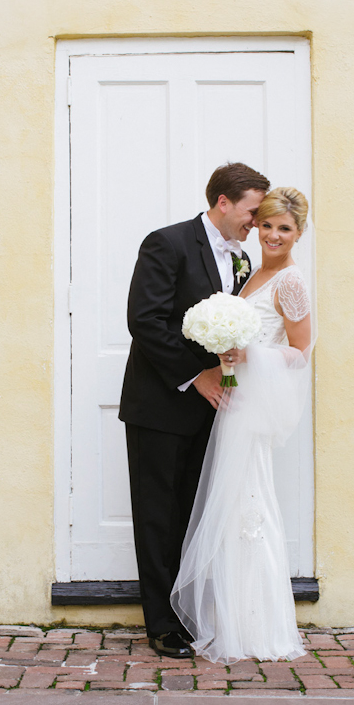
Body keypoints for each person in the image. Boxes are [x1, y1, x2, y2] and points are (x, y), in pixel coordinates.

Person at [119, 163, 270, 658]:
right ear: (223, 203)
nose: (256, 221)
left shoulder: (244, 259)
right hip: (160, 404)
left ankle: (187, 614)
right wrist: (196, 373)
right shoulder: (167, 243)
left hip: (213, 409)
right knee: (157, 516)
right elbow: (145, 320)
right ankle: (160, 625)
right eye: (252, 211)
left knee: (192, 515)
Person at [171, 187, 315, 664]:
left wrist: (252, 354)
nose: (273, 235)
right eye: (268, 225)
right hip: (237, 401)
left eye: (285, 228)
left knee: (251, 508)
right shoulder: (253, 272)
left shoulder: (290, 282)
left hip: (254, 409)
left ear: (299, 234)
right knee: (233, 510)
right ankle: (235, 620)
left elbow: (300, 352)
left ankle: (258, 628)